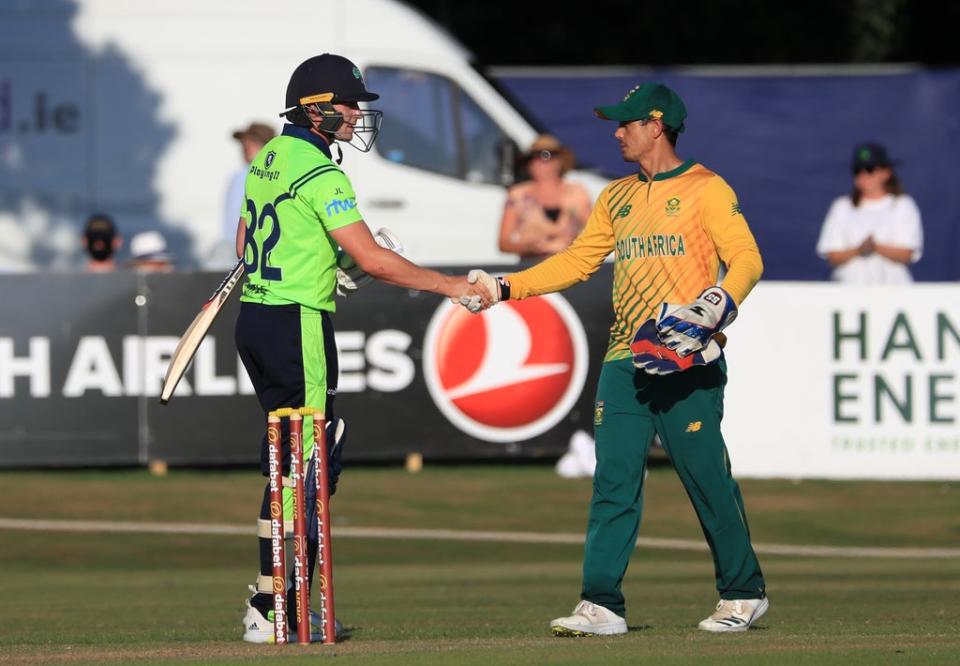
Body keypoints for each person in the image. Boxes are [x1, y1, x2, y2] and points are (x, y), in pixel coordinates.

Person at [468, 82, 768, 635]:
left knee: (704, 476)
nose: (617, 131)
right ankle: (601, 603)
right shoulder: (617, 196)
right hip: (624, 358)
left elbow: (746, 256)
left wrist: (720, 301)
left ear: (657, 125)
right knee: (613, 481)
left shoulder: (706, 188)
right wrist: (506, 288)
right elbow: (579, 261)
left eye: (627, 123)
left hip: (688, 362)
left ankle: (742, 592)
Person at [235, 53, 489, 644]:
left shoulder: (269, 157)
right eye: (349, 105)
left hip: (258, 317)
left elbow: (248, 238)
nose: (356, 115)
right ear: (318, 109)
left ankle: (273, 600)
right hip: (298, 321)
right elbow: (374, 258)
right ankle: (281, 606)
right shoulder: (322, 172)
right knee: (313, 461)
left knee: (290, 461)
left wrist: (334, 263)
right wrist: (452, 286)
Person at [816, 142, 923, 283]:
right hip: (848, 291)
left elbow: (907, 253)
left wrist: (875, 247)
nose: (863, 175)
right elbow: (832, 254)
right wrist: (859, 250)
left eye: (870, 169)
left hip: (893, 291)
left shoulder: (903, 205)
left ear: (886, 173)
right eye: (857, 171)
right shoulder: (841, 207)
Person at [498, 134, 592, 262]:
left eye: (546, 156)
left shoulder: (577, 192)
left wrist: (572, 246)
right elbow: (504, 243)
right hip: (532, 267)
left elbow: (593, 234)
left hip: (570, 267)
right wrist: (530, 247)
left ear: (559, 161)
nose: (538, 162)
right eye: (532, 158)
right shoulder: (517, 195)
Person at [224, 122, 277, 244]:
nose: (245, 146)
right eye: (244, 143)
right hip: (240, 248)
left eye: (252, 143)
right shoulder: (240, 176)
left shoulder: (272, 175)